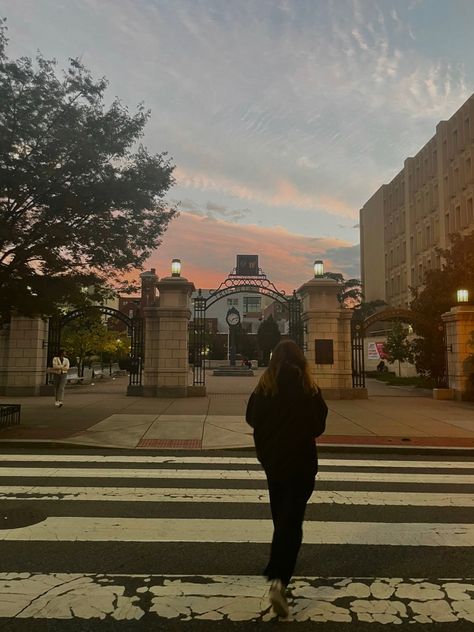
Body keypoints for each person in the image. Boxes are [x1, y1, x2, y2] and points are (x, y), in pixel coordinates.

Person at [246, 340, 327, 618]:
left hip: (273, 463)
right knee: (292, 522)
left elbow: (251, 418)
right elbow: (319, 425)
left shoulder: (265, 386)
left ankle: (280, 570)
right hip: (302, 463)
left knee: (281, 516)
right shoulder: (308, 387)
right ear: (300, 359)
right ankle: (280, 578)